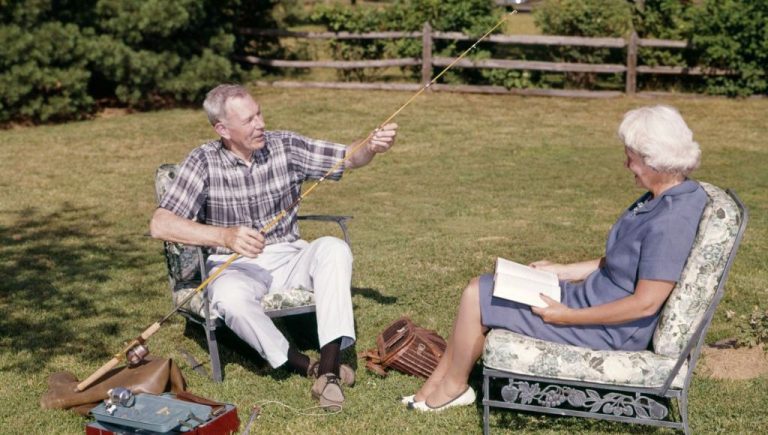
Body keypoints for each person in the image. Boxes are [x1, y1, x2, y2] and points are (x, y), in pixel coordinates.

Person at [403, 105, 707, 412]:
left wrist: (566, 316)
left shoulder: (671, 221)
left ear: (655, 160)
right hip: (588, 301)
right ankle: (436, 385)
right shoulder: (663, 196)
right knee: (482, 287)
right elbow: (621, 261)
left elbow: (646, 303)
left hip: (608, 328)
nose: (627, 163)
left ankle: (453, 388)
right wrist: (562, 271)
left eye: (633, 156)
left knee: (478, 295)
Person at [150, 84, 397, 409]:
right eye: (249, 120)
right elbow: (160, 224)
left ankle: (328, 368)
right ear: (223, 129)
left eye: (259, 114)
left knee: (334, 249)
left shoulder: (284, 145)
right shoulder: (203, 161)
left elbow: (348, 158)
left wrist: (372, 146)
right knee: (228, 298)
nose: (260, 124)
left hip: (290, 256)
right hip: (234, 264)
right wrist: (224, 236)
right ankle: (302, 364)